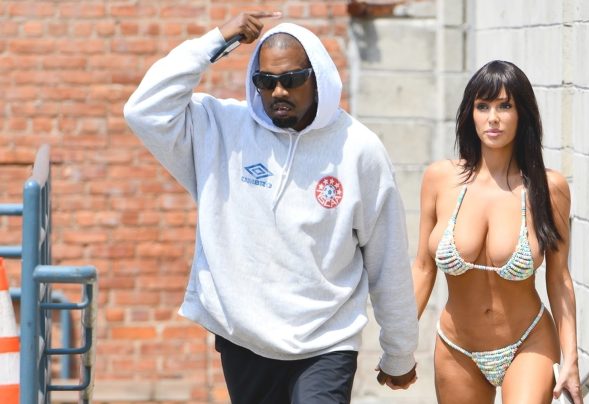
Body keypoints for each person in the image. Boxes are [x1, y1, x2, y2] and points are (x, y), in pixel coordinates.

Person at [123, 12, 419, 404]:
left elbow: (387, 259)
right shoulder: (221, 130)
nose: (278, 91)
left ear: (317, 77)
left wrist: (399, 352)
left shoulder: (359, 150)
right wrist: (217, 39)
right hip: (245, 341)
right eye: (266, 81)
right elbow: (143, 110)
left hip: (326, 344)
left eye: (292, 79)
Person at [411, 60, 582, 404]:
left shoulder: (549, 188)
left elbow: (559, 278)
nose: (493, 118)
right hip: (457, 346)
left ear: (522, 115)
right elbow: (423, 268)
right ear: (470, 114)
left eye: (505, 106)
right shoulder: (439, 179)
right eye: (483, 106)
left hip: (528, 342)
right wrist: (398, 342)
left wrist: (571, 359)